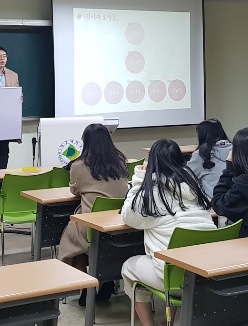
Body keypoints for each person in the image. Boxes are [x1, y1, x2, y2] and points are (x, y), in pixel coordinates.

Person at [120, 139, 215, 326]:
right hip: (207, 273)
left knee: (129, 267)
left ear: (151, 163)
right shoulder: (193, 188)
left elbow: (128, 216)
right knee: (175, 262)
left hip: (175, 279)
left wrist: (139, 179)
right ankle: (168, 322)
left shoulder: (151, 194)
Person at [57, 123, 129, 305]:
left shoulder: (79, 166)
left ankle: (86, 289)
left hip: (92, 226)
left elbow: (75, 191)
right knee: (86, 243)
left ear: (86, 142)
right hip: (119, 222)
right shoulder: (121, 161)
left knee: (73, 243)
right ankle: (105, 280)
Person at [184, 119, 232, 199]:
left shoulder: (201, 154)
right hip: (235, 200)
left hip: (213, 202)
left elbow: (185, 176)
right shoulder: (236, 150)